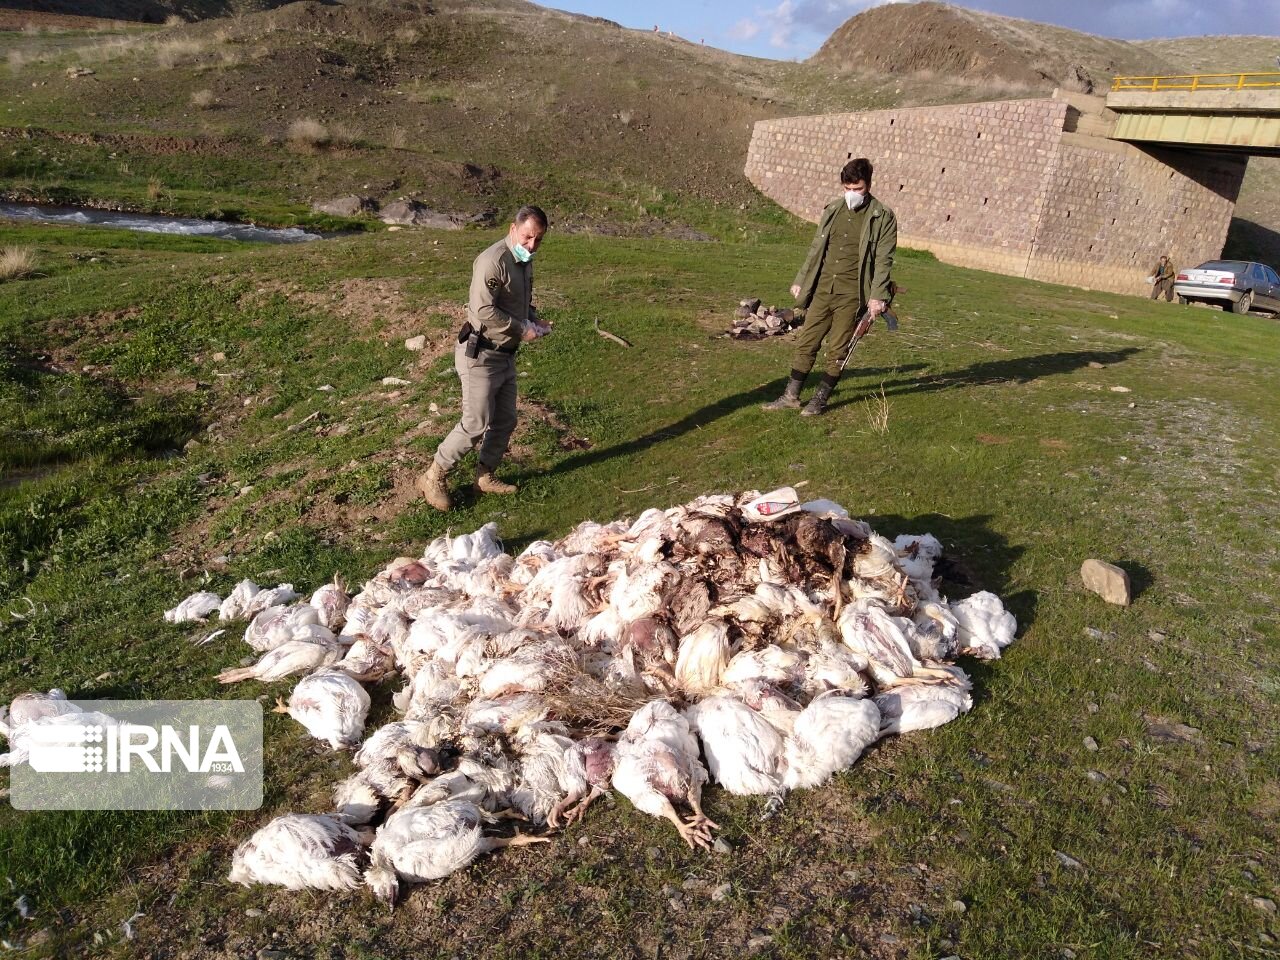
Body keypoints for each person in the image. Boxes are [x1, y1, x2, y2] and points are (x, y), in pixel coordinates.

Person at [417, 205, 551, 511]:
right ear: (513, 229)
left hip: (505, 354)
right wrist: (521, 328)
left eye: (538, 240)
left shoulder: (523, 261)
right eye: (528, 237)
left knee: (505, 419)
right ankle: (433, 475)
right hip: (480, 354)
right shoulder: (493, 261)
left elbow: (518, 303)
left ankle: (484, 476)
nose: (532, 246)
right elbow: (484, 311)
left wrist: (534, 320)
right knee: (475, 423)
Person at [762, 158, 897, 417]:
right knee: (806, 342)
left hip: (852, 294)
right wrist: (801, 279)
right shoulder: (833, 209)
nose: (851, 195)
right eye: (847, 188)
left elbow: (884, 258)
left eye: (857, 189)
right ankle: (790, 396)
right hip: (823, 289)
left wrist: (877, 296)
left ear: (868, 185)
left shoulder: (883, 216)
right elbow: (816, 248)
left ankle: (820, 400)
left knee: (837, 349)